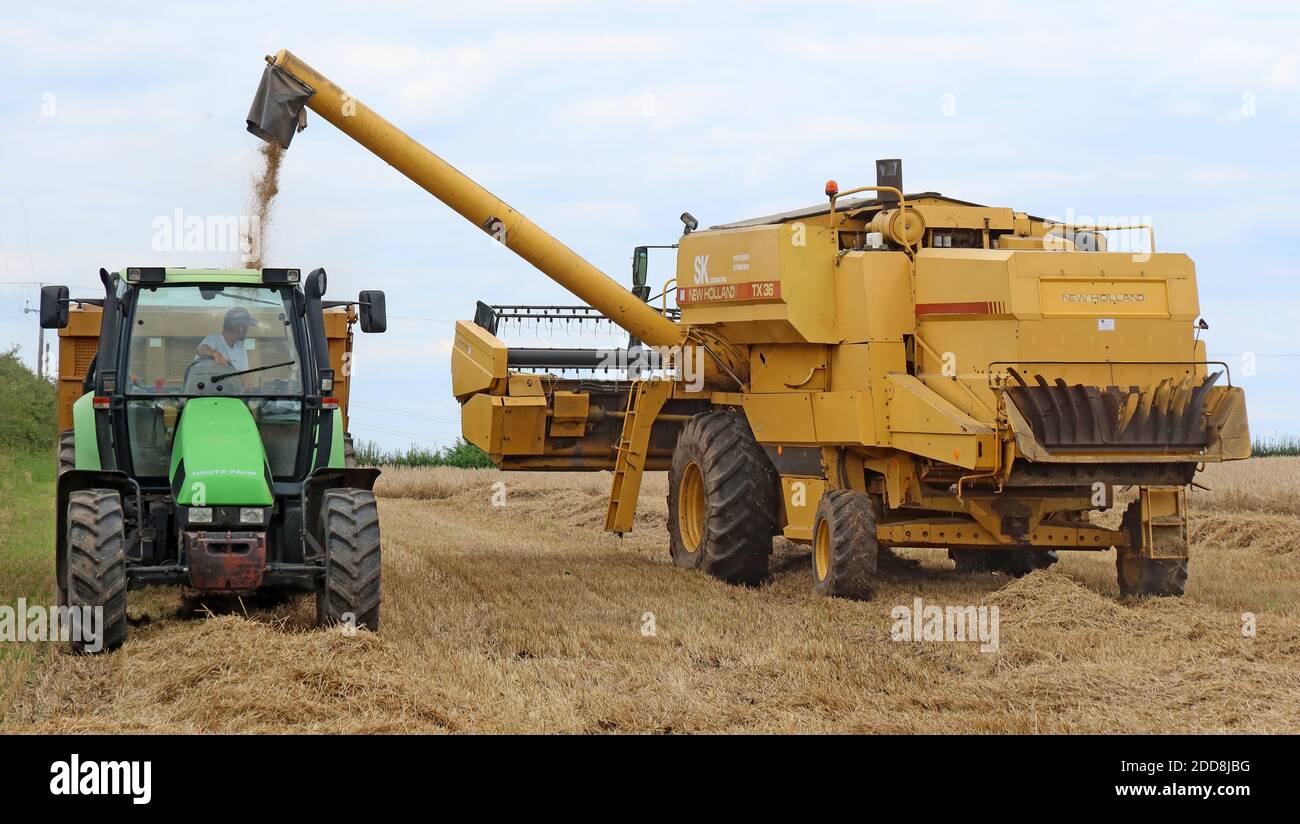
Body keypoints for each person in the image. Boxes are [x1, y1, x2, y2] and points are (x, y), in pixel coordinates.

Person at [196, 307, 257, 374]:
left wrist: (249, 384)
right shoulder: (215, 338)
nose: (249, 329)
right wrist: (216, 355)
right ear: (240, 327)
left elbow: (244, 375)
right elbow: (201, 349)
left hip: (231, 384)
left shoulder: (240, 347)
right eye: (247, 326)